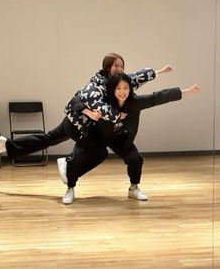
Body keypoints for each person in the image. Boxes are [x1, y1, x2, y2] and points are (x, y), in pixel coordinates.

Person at [0, 53, 171, 160]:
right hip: (77, 122)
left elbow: (135, 77)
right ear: (108, 67)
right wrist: (118, 116)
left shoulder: (119, 82)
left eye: (122, 66)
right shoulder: (97, 84)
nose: (120, 68)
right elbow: (98, 105)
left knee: (49, 139)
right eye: (117, 65)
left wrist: (159, 72)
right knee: (95, 149)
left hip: (83, 123)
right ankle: (68, 163)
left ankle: (7, 145)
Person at [57, 73, 200, 204]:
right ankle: (70, 188)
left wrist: (186, 91)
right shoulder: (103, 102)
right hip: (97, 135)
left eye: (126, 88)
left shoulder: (134, 102)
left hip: (119, 137)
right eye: (118, 88)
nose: (122, 92)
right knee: (78, 157)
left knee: (136, 158)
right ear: (113, 89)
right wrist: (88, 112)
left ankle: (134, 188)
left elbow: (157, 97)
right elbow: (77, 99)